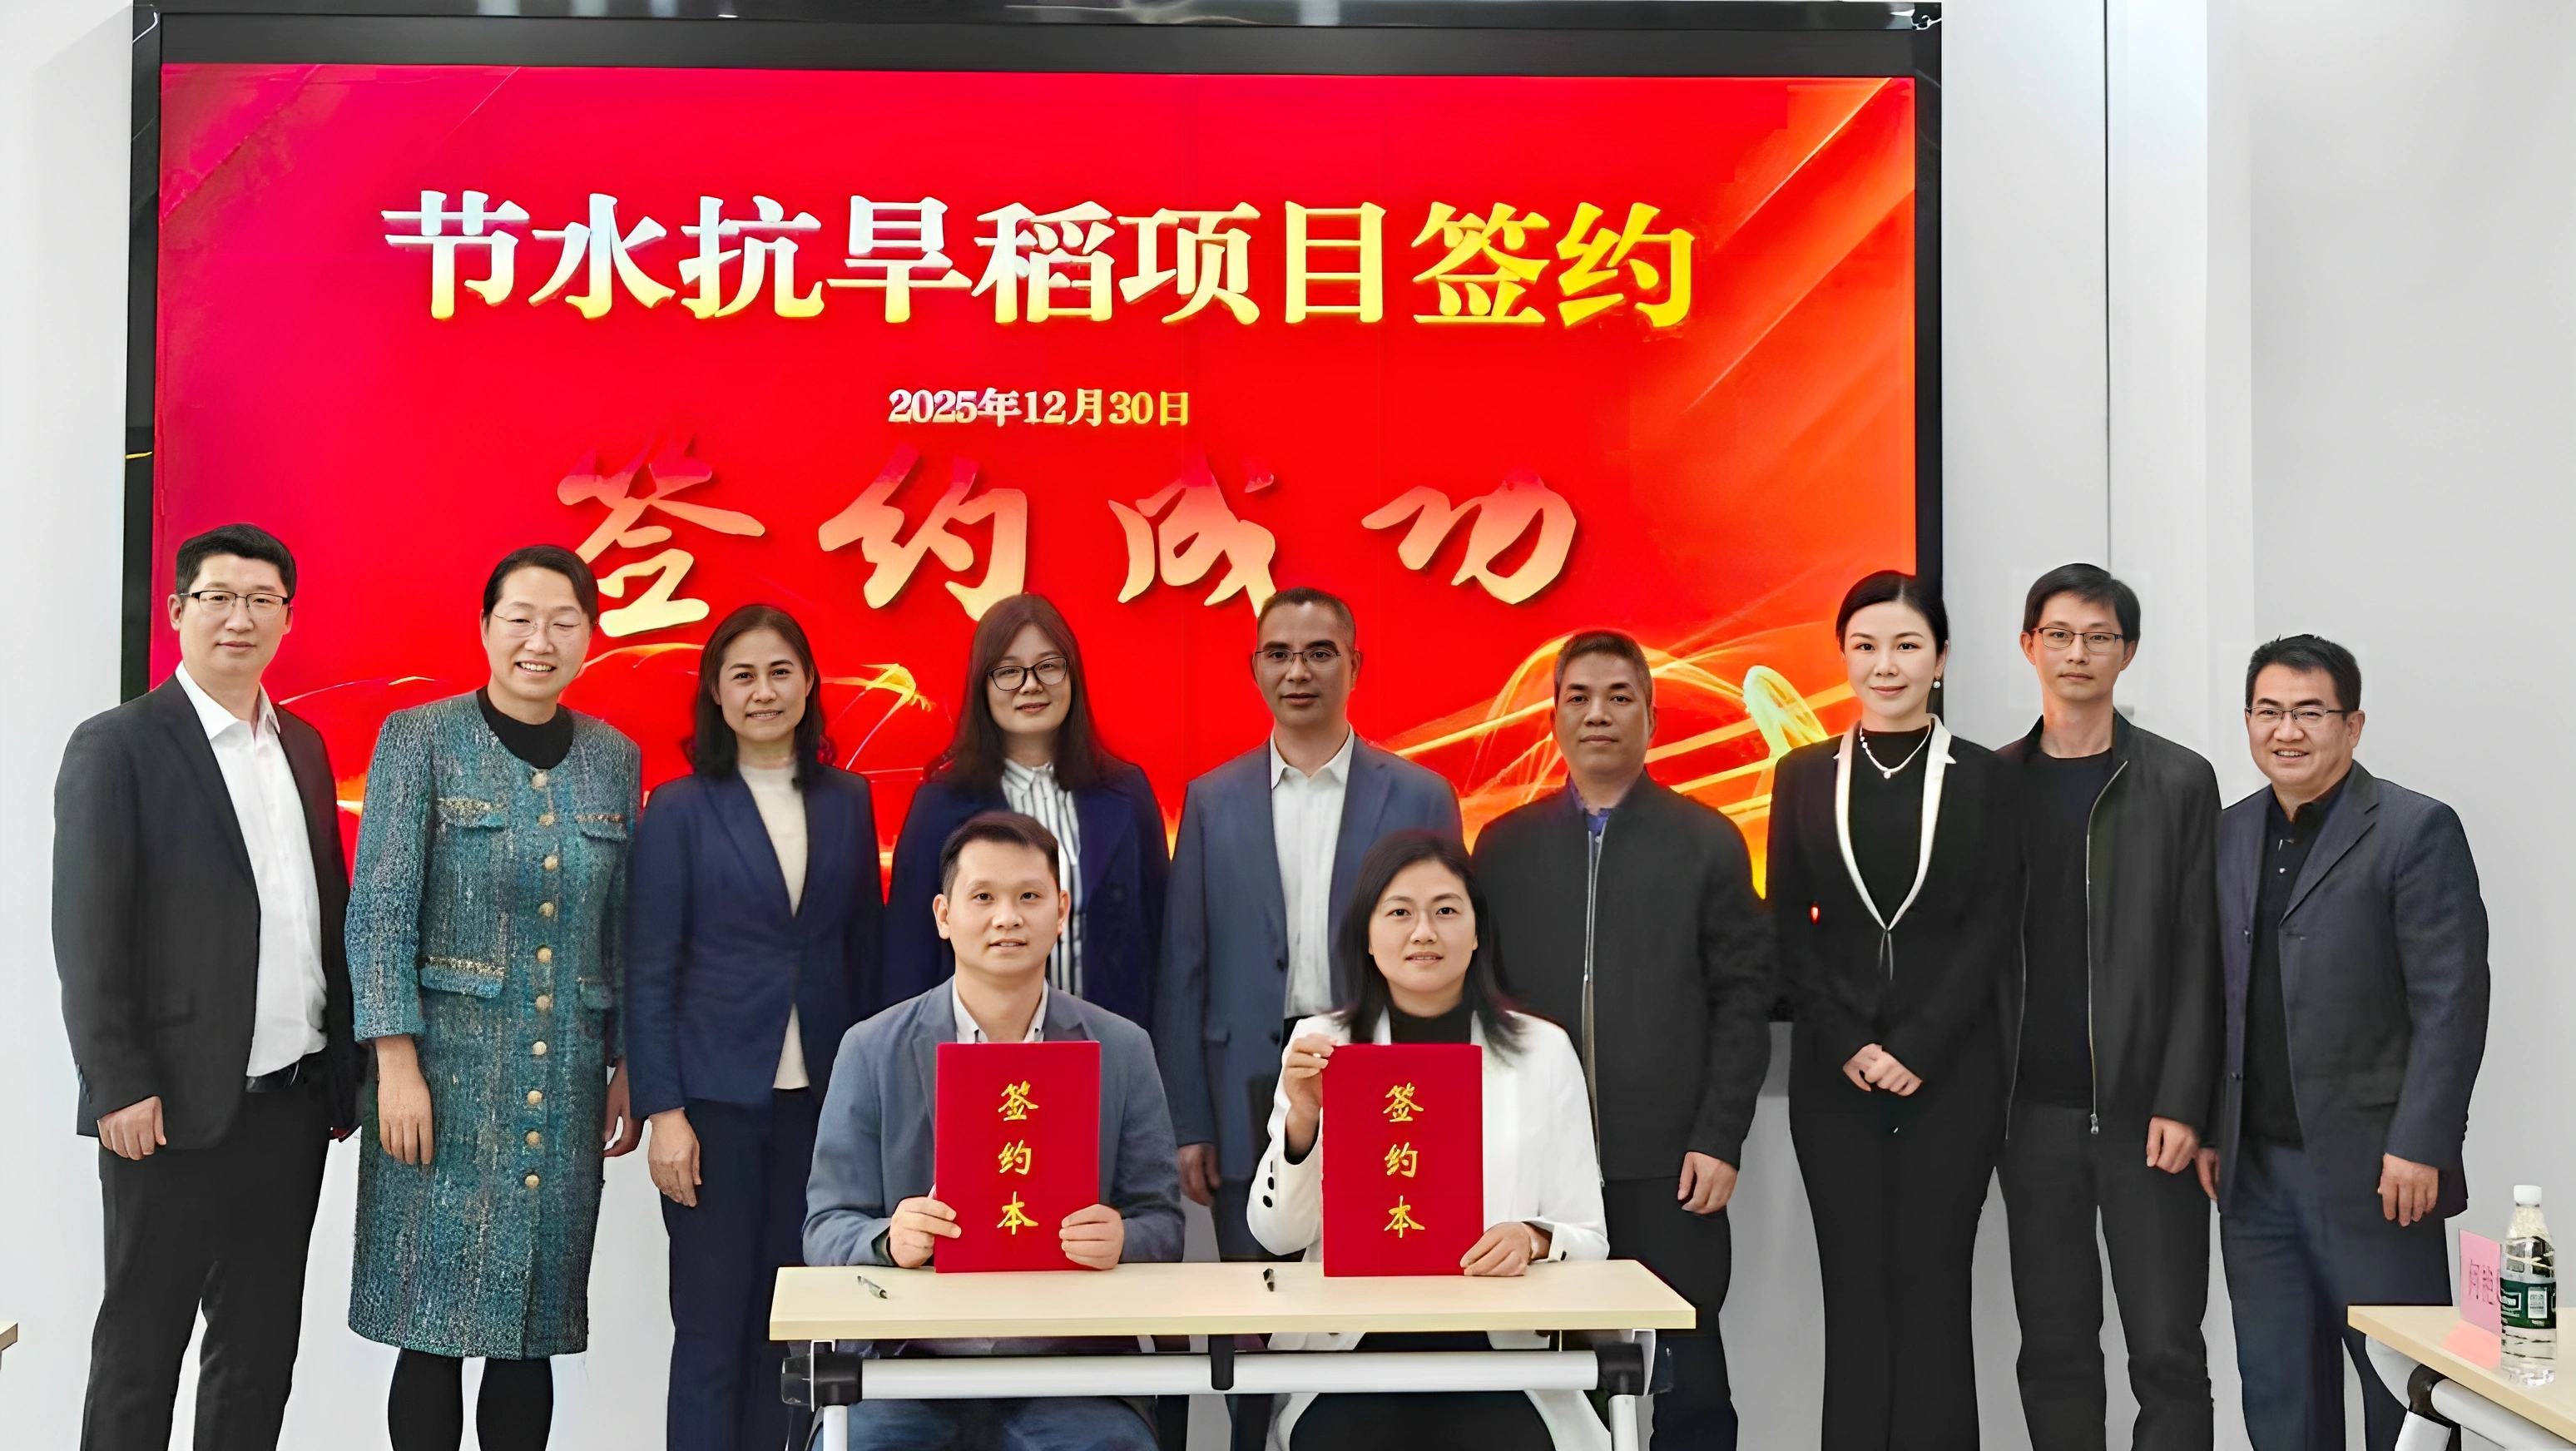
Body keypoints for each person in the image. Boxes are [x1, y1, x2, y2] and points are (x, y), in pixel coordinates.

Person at [54, 522, 360, 1451]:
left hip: (291, 1106)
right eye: (219, 598)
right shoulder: (119, 746)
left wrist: (341, 1074)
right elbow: (89, 933)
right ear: (178, 610)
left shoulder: (304, 746)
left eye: (262, 600)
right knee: (141, 1349)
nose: (240, 618)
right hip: (167, 1108)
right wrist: (118, 1082)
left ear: (287, 619)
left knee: (258, 1351)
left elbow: (323, 915)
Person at [344, 544, 645, 1451]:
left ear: (589, 636)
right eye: (519, 620)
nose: (538, 641)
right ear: (485, 628)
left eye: (562, 623)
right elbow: (380, 909)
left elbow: (623, 925)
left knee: (531, 1331)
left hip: (563, 1086)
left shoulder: (614, 759)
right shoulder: (420, 739)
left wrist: (626, 1059)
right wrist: (394, 1062)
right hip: (440, 1083)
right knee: (430, 1326)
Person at [1151, 585, 1462, 1448]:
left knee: (1371, 1301)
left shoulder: (1421, 794)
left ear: (1355, 666)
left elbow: (1452, 950)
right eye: (1280, 654)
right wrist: (1189, 1120)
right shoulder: (1211, 799)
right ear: (1254, 669)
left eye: (1320, 653)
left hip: (1382, 1070)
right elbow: (1184, 966)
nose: (1299, 671)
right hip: (1245, 1078)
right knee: (1254, 1314)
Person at [1470, 630, 1774, 1451]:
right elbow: (1482, 1011)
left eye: (1619, 697)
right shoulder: (1502, 848)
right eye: (1578, 698)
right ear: (1553, 717)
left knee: (1688, 1376)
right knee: (1554, 1381)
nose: (1598, 714)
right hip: (1542, 1178)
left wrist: (1720, 1136)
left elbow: (1744, 1002)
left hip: (1670, 1164)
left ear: (1651, 717)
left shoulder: (1707, 841)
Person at [804, 810, 1185, 1451]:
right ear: (943, 915)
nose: (1007, 917)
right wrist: (887, 1240)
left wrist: (1124, 1238)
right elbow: (825, 1227)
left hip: (1072, 1370)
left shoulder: (1121, 1048)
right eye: (983, 897)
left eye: (1029, 897)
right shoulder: (871, 1049)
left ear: (1061, 912)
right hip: (908, 1366)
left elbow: (1163, 1222)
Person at [2200, 636, 2488, 1451]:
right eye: (2268, 711)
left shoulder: (2414, 828)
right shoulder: (2229, 832)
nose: (2286, 731)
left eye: (2309, 712)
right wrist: (2210, 1121)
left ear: (2352, 725)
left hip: (2378, 1175)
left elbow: (2452, 1000)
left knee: (2407, 1400)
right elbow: (2215, 992)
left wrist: (2422, 1143)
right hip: (2255, 1178)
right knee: (2280, 1396)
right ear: (2248, 722)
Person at [1251, 830, 1609, 1451]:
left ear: (1476, 932)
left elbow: (1590, 1238)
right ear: (1367, 936)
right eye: (1399, 913)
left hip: (1499, 1353)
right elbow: (1277, 1235)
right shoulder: (1322, 1044)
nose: (1424, 932)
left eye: (1446, 910)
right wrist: (1303, 1119)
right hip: (1352, 1350)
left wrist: (1534, 1238)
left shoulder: (1543, 1051)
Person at [1767, 571, 2019, 1451]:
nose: (1886, 665)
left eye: (1907, 646)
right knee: (1854, 1292)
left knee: (1934, 1290)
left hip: (1952, 1075)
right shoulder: (1803, 775)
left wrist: (1917, 1045)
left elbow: (1993, 925)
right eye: (1866, 646)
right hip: (1834, 1078)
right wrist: (1849, 1041)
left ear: (1940, 659)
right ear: (1842, 656)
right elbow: (1787, 927)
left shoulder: (1987, 777)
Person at [627, 604, 884, 1451]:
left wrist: (877, 1105)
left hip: (822, 1107)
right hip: (712, 1107)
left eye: (780, 672)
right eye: (743, 675)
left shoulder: (848, 800)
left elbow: (865, 952)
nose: (763, 691)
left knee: (795, 1329)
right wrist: (665, 1113)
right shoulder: (678, 808)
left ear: (809, 684)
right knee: (710, 1331)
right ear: (716, 692)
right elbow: (650, 968)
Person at [1994, 565, 2223, 1451]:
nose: (2078, 653)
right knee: (2054, 1352)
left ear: (2127, 652)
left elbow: (2203, 955)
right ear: (2029, 645)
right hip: (2029, 1118)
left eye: (2099, 637)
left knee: (2168, 1353)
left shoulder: (2179, 781)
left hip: (2147, 1121)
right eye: (2059, 634)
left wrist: (2184, 1100)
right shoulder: (1991, 784)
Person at [883, 593, 1167, 1028]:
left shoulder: (1126, 792)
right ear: (982, 686)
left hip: (1108, 1043)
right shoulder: (939, 805)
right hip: (980, 1050)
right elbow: (908, 956)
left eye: (1049, 666)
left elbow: (1161, 934)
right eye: (1009, 671)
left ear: (1072, 676)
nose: (1031, 685)